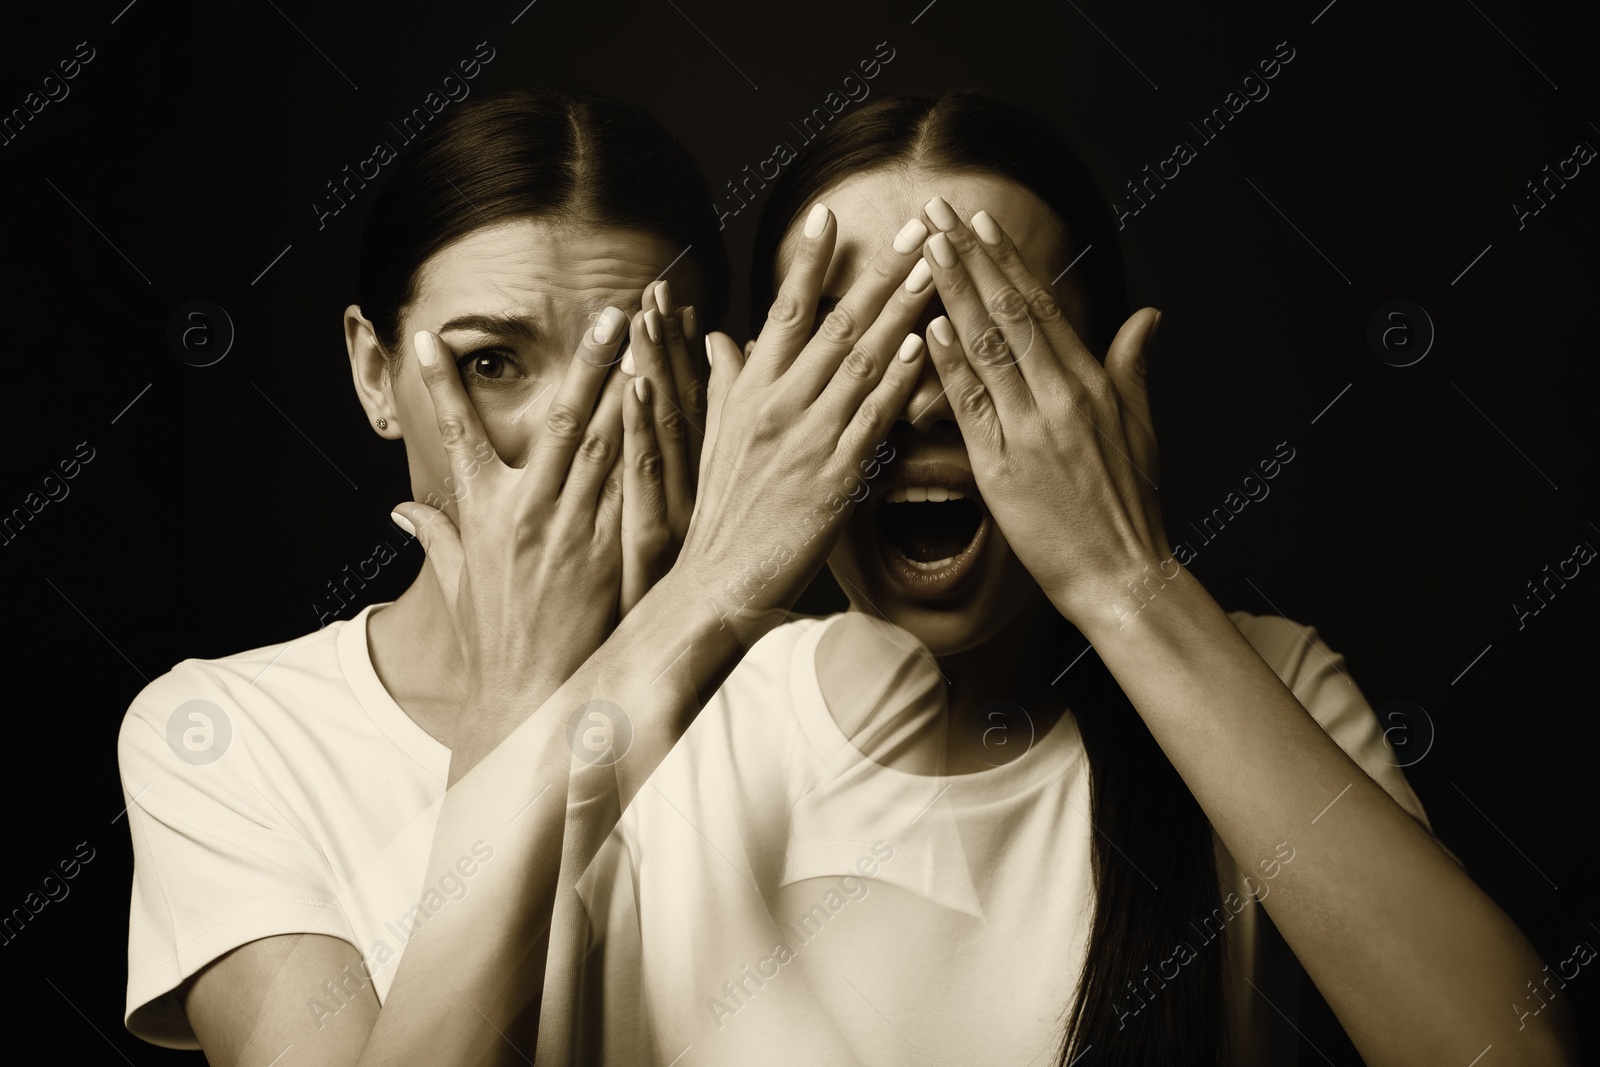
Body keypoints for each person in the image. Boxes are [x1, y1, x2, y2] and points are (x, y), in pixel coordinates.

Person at [557, 90, 1580, 1067]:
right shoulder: (672, 714)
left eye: (995, 333)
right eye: (850, 337)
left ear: (1102, 389)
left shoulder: (1271, 681)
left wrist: (1124, 577)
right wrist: (709, 591)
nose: (920, 403)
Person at [116, 86, 939, 1065]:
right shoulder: (228, 735)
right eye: (493, 360)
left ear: (712, 381)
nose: (568, 427)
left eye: (626, 354)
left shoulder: (854, 695)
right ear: (375, 374)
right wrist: (520, 699)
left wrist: (692, 618)